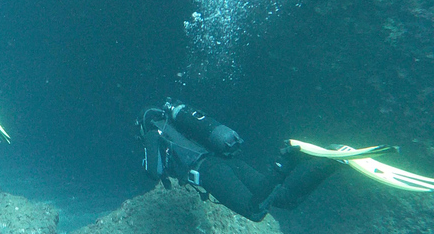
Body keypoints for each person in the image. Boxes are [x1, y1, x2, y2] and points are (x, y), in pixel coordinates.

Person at [137, 98, 433, 222]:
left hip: (208, 171)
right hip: (226, 162)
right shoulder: (179, 122)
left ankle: (285, 163)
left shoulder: (154, 132)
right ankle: (335, 157)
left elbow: (153, 172)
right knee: (287, 199)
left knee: (255, 211)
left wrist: (150, 156)